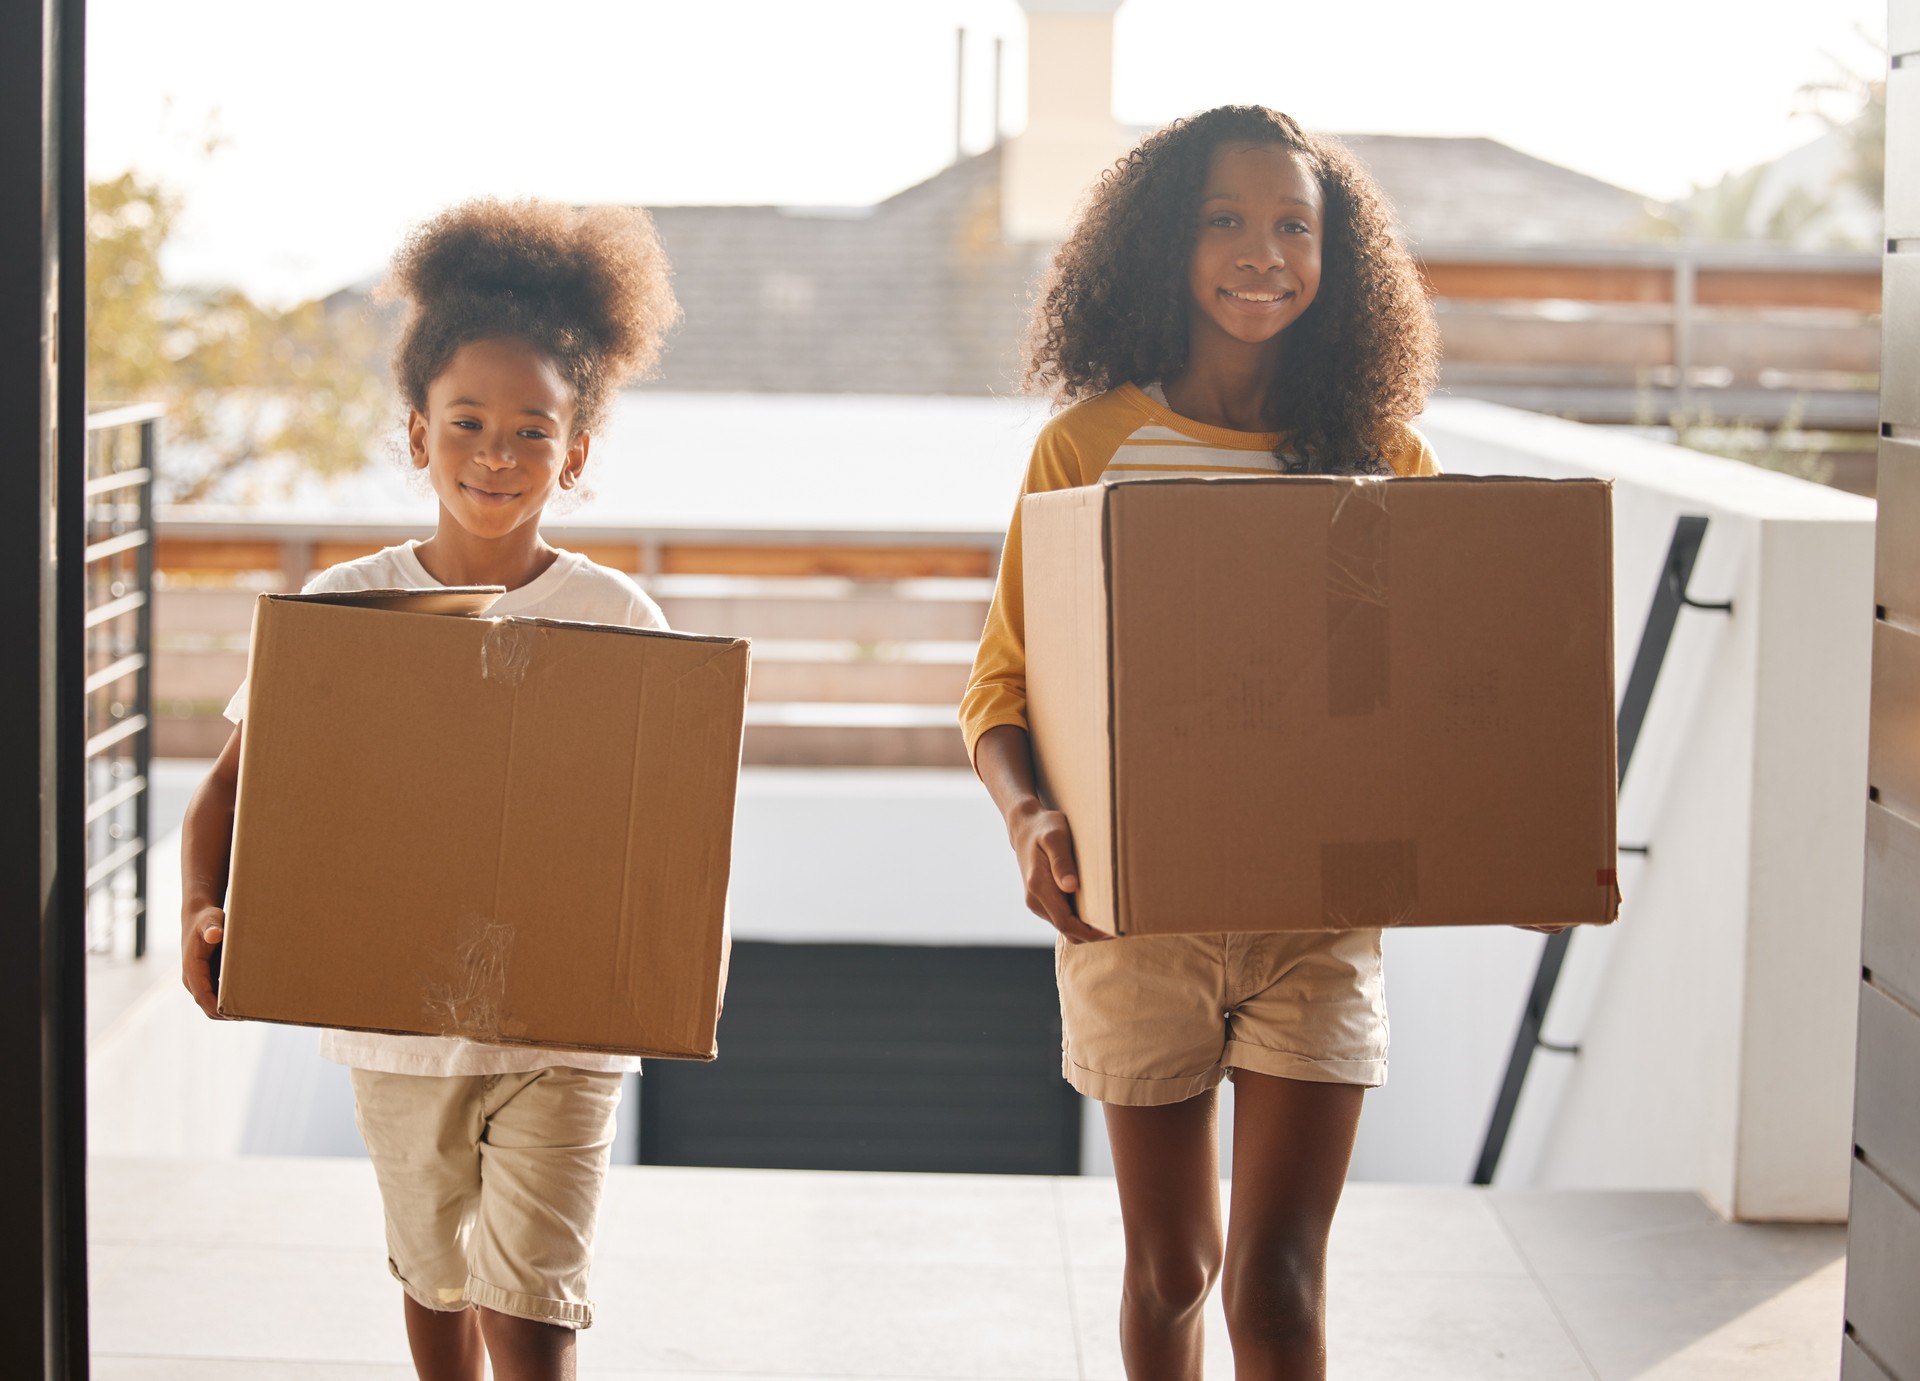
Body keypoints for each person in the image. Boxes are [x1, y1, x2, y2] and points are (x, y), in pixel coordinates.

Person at [961, 106, 1441, 1381]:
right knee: (1173, 1266)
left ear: (1339, 256)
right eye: (1225, 220)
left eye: (1296, 224)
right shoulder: (1088, 449)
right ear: (1166, 244)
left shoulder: (1384, 463)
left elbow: (1441, 703)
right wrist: (1030, 819)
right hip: (1138, 919)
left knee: (1278, 1289)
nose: (1262, 251)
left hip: (1314, 922)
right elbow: (1000, 689)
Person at [179, 197, 680, 1381]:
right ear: (416, 435)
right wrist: (208, 914)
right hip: (399, 1035)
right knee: (434, 1281)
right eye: (466, 423)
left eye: (531, 430)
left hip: (565, 1030)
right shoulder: (349, 608)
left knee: (534, 1305)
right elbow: (228, 795)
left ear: (577, 451)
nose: (497, 455)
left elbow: (662, 827)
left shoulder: (619, 619)